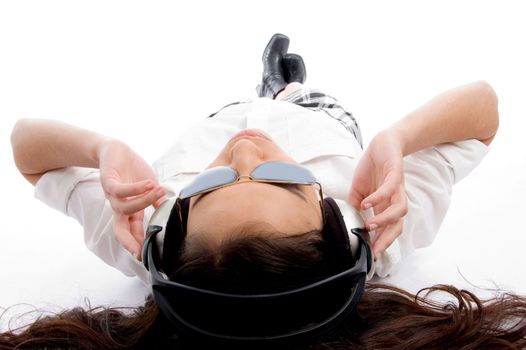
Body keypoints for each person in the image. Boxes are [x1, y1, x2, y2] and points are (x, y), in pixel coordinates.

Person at [4, 33, 526, 349]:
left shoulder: (145, 233)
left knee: (242, 113)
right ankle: (288, 87)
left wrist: (101, 149)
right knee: (302, 95)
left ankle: (265, 91)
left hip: (217, 119)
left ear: (168, 230)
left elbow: (26, 146)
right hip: (319, 123)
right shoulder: (378, 223)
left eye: (207, 186)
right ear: (337, 220)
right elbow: (483, 110)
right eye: (289, 181)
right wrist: (398, 138)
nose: (244, 152)